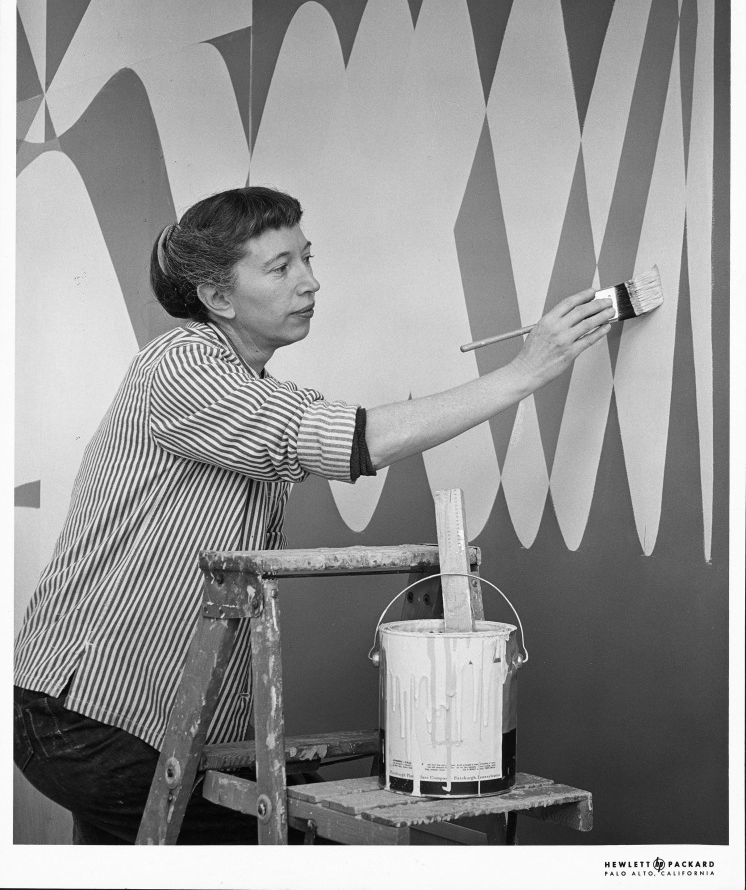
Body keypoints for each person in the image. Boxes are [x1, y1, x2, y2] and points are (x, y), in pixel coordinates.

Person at [14, 186, 614, 844]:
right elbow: (351, 441)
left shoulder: (256, 389)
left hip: (124, 724)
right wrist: (527, 371)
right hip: (87, 720)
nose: (311, 282)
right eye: (281, 267)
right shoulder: (182, 365)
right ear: (217, 298)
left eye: (307, 258)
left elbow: (333, 431)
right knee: (304, 843)